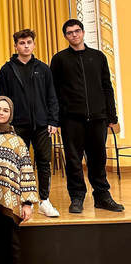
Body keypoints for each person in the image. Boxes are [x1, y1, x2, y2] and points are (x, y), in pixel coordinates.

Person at [50, 19, 124, 213]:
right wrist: (56, 119)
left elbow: (107, 86)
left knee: (98, 158)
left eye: (77, 31)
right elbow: (55, 92)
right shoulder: (59, 59)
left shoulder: (98, 57)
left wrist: (111, 115)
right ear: (65, 36)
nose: (74, 34)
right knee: (74, 161)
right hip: (71, 119)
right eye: (70, 32)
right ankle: (76, 197)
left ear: (83, 33)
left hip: (98, 118)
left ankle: (102, 196)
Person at [0, 29, 60, 217]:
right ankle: (23, 200)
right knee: (19, 164)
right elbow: (3, 99)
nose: (26, 46)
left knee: (43, 162)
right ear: (16, 46)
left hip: (42, 125)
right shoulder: (7, 69)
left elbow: (51, 96)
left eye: (29, 42)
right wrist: (6, 124)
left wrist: (53, 119)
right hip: (17, 125)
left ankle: (44, 200)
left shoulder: (43, 68)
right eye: (22, 43)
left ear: (34, 44)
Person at [0, 96, 39, 264]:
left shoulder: (17, 141)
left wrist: (27, 203)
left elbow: (26, 170)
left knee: (11, 247)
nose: (1, 113)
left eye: (6, 110)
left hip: (10, 201)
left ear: (10, 115)